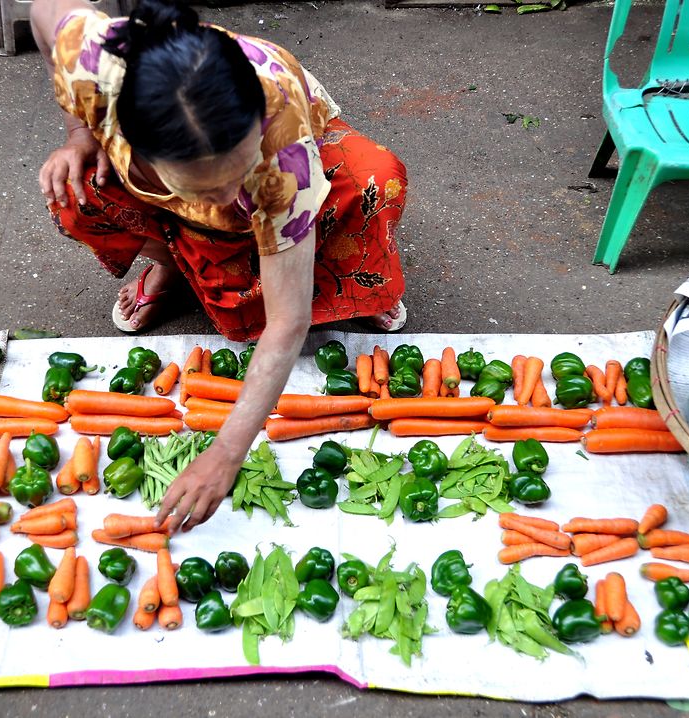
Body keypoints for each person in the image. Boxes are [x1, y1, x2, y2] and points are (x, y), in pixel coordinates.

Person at [31, 0, 409, 532]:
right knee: (75, 192)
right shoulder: (92, 58)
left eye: (238, 170)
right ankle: (168, 259)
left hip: (292, 164)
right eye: (207, 186)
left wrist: (228, 452)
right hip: (177, 177)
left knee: (372, 179)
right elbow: (43, 11)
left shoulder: (283, 155)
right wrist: (79, 137)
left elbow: (286, 324)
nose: (230, 194)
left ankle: (358, 284)